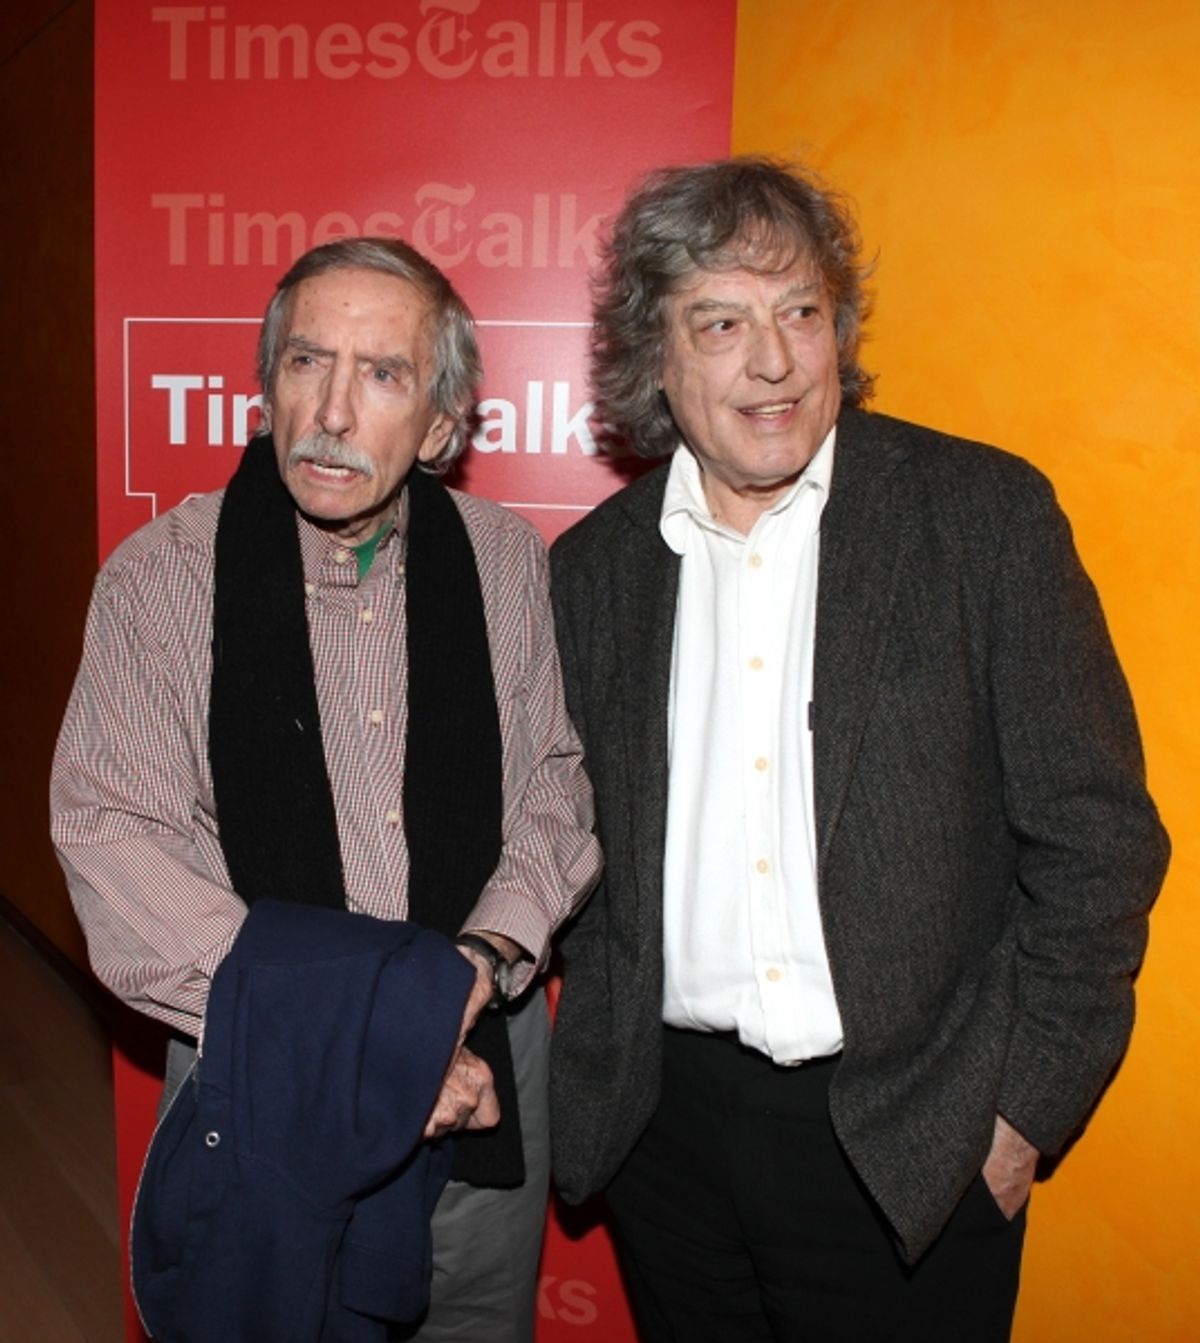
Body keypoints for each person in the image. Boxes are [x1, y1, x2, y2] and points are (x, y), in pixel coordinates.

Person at [547, 157, 1169, 1342]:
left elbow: (1097, 839)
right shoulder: (592, 571)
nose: (773, 361)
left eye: (800, 312)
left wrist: (1022, 1111)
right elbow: (568, 845)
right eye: (721, 323)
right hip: (666, 1138)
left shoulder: (981, 518)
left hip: (913, 1140)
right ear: (654, 356)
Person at [52, 236, 601, 1342]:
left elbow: (552, 788)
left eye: (383, 374)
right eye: (307, 362)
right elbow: (113, 838)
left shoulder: (503, 560)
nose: (334, 411)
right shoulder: (161, 579)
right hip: (258, 1054)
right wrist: (374, 1034)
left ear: (440, 427)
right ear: (268, 389)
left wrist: (477, 962)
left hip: (481, 1059)